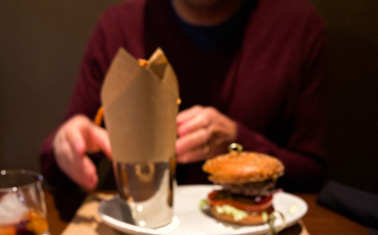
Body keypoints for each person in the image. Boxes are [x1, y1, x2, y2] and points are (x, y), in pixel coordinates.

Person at [40, 0, 327, 194]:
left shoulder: (297, 25)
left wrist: (241, 145)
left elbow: (312, 176)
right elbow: (54, 167)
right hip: (135, 233)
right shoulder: (119, 26)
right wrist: (66, 147)